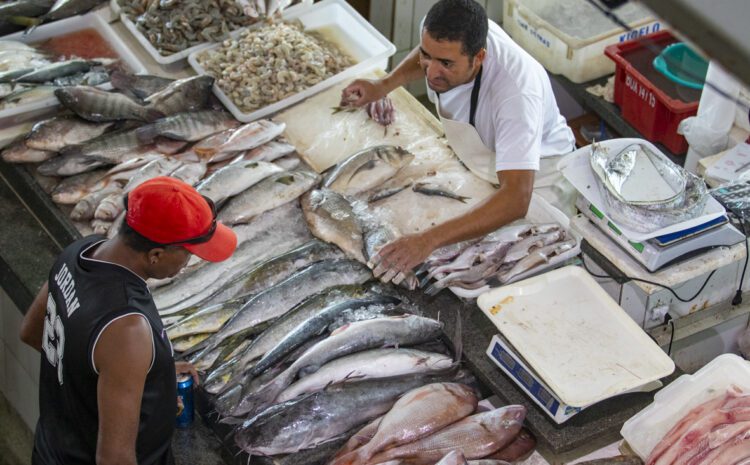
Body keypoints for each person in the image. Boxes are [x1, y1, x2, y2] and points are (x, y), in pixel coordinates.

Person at [341, 0, 576, 285]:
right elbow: (428, 56)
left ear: (479, 57)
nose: (430, 72)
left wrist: (427, 241)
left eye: (447, 64)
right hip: (485, 170)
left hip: (539, 185)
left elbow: (515, 200)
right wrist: (384, 84)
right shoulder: (440, 32)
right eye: (428, 56)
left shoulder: (516, 95)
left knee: (510, 276)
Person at [19, 177, 238, 465]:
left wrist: (138, 377)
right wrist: (126, 368)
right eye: (188, 253)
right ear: (156, 255)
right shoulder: (127, 327)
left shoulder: (80, 252)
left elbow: (32, 332)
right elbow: (114, 458)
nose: (189, 263)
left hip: (52, 446)